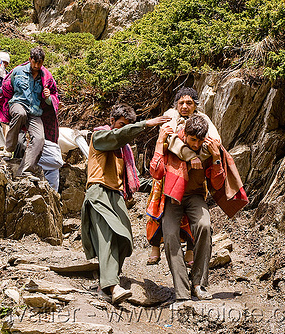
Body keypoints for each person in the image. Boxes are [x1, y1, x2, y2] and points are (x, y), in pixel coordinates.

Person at [81, 103, 171, 304]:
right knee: (107, 237)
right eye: (120, 124)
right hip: (98, 192)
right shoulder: (100, 137)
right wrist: (145, 124)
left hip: (116, 196)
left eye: (126, 125)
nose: (122, 129)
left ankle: (107, 282)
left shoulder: (124, 152)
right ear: (111, 122)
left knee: (124, 238)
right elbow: (118, 136)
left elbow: (136, 180)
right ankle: (112, 286)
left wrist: (165, 182)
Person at [150, 114, 228, 304]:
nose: (196, 144)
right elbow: (156, 172)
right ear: (185, 134)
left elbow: (217, 184)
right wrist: (160, 143)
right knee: (169, 236)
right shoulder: (172, 144)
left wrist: (216, 158)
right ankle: (182, 291)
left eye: (200, 141)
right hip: (172, 197)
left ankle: (198, 284)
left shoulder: (208, 149)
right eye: (193, 140)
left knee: (204, 226)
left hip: (195, 196)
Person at [147, 87, 221, 265]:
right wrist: (190, 156)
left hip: (194, 178)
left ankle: (190, 251)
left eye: (189, 103)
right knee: (160, 210)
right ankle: (155, 247)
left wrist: (199, 157)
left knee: (193, 217)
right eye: (181, 103)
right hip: (168, 174)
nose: (185, 106)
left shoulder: (203, 120)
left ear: (196, 105)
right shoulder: (170, 117)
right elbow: (168, 140)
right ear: (176, 104)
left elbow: (214, 141)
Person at [0, 46, 59, 181]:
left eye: (40, 63)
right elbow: (6, 88)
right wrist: (6, 106)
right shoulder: (17, 71)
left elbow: (54, 97)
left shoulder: (47, 77)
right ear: (29, 59)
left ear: (43, 62)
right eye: (34, 62)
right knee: (20, 114)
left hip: (35, 112)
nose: (36, 66)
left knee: (39, 139)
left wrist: (48, 98)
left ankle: (24, 171)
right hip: (17, 105)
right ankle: (8, 149)